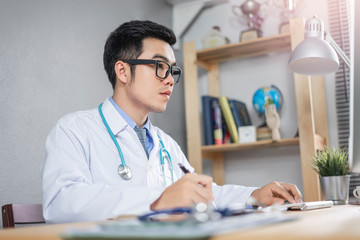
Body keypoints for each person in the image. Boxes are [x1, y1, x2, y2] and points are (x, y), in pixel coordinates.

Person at [41, 20, 302, 223]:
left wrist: (253, 196)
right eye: (159, 66)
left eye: (172, 70)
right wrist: (158, 200)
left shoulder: (166, 144)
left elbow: (203, 193)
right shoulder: (74, 131)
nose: (169, 80)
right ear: (122, 71)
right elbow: (61, 203)